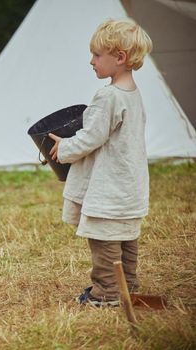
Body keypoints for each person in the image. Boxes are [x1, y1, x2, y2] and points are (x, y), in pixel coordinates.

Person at [48, 19, 153, 307]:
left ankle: (106, 293)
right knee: (125, 237)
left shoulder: (108, 96)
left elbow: (89, 138)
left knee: (104, 239)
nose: (91, 61)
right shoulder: (132, 94)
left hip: (109, 188)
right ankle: (127, 287)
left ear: (119, 58)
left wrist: (63, 147)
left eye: (96, 55)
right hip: (129, 185)